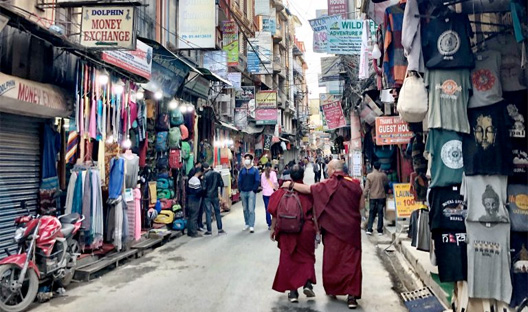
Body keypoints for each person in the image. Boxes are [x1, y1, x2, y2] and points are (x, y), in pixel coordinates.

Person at [283, 160, 365, 309]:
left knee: (334, 261)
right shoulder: (354, 184)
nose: (326, 172)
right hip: (351, 230)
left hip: (333, 230)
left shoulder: (329, 185)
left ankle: (334, 289)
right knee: (351, 262)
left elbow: (309, 190)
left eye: (328, 169)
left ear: (333, 170)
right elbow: (362, 206)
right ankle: (352, 296)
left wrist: (291, 185)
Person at [268, 165, 317, 303]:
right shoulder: (307, 191)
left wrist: (272, 228)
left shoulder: (281, 191)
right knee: (307, 256)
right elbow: (315, 213)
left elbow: (275, 211)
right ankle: (307, 283)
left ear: (290, 176)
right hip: (305, 229)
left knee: (288, 259)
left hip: (286, 230)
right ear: (302, 176)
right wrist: (317, 231)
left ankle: (293, 292)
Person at [363, 162, 389, 236]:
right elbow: (386, 184)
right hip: (381, 196)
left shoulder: (369, 176)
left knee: (372, 213)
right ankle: (379, 230)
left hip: (373, 197)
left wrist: (364, 196)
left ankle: (369, 229)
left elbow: (367, 188)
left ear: (373, 166)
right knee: (380, 213)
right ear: (380, 167)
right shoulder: (383, 175)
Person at [238, 153, 260, 233]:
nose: (247, 160)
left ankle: (251, 225)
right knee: (245, 209)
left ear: (251, 160)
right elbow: (239, 180)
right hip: (243, 191)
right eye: (245, 158)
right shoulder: (242, 170)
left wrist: (254, 190)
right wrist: (240, 189)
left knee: (251, 209)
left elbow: (257, 180)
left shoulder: (254, 170)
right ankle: (246, 223)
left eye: (248, 158)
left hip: (251, 192)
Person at [202, 163, 226, 235]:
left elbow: (204, 188)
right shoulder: (217, 174)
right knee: (217, 212)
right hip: (215, 195)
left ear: (204, 168)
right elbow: (221, 184)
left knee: (208, 213)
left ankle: (209, 230)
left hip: (207, 196)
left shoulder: (205, 176)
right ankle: (220, 229)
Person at [187, 166, 205, 238]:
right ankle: (194, 232)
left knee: (190, 216)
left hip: (190, 198)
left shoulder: (191, 179)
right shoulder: (196, 180)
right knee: (194, 216)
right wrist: (203, 190)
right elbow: (197, 191)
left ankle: (189, 231)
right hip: (195, 199)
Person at [261, 163, 279, 230]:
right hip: (272, 193)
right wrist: (277, 188)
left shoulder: (263, 174)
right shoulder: (273, 173)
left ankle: (269, 224)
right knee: (274, 208)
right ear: (271, 167)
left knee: (267, 209)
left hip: (265, 194)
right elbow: (275, 182)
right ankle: (275, 223)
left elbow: (262, 184)